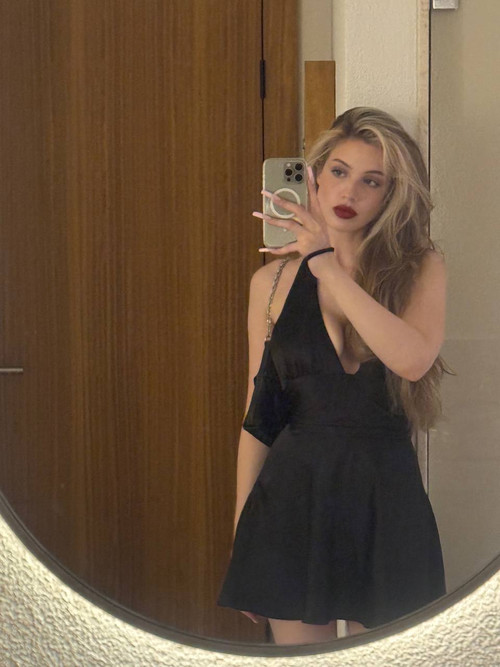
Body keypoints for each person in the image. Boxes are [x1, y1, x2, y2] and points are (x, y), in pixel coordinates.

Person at [217, 107, 448, 645]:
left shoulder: (419, 268)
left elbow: (412, 360)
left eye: (372, 181)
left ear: (391, 194)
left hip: (386, 503)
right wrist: (242, 532)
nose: (350, 192)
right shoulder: (270, 282)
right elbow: (258, 417)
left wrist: (325, 264)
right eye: (339, 172)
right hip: (289, 502)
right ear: (315, 176)